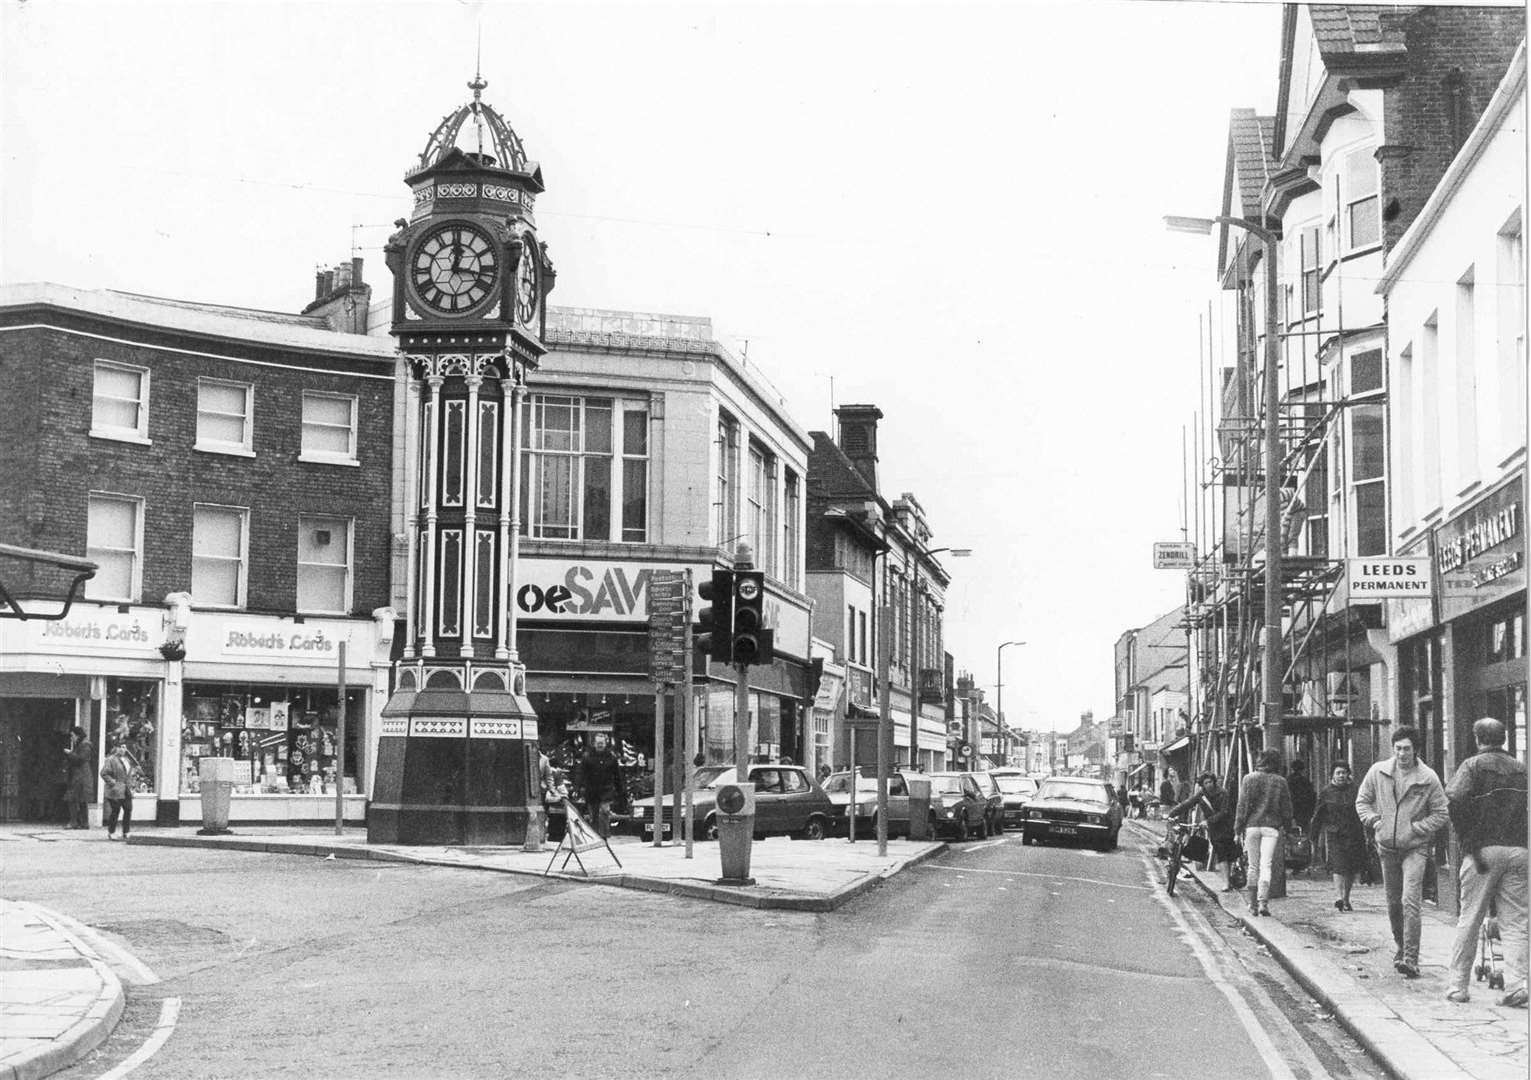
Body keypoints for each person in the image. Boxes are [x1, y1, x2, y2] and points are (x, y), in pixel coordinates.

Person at [1444, 718, 1527, 1007]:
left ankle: (1457, 986)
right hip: (1519, 850)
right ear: (1503, 739)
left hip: (1482, 852)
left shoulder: (1472, 766)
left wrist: (1467, 835)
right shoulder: (1521, 769)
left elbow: (1453, 799)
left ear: (1478, 738)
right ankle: (1517, 985)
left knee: (1470, 918)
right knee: (1516, 922)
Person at [1356, 725, 1449, 978]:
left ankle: (1411, 957)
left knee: (1410, 901)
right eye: (1398, 748)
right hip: (1386, 848)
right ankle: (1400, 946)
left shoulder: (1428, 777)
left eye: (1407, 749)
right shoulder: (1378, 771)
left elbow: (1441, 813)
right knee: (1393, 904)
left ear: (1415, 750)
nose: (1402, 754)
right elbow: (1362, 801)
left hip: (1415, 848)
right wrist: (1374, 821)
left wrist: (1418, 828)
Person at [1234, 748, 1294, 916]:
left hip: (1252, 826)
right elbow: (1287, 808)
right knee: (1266, 865)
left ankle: (1251, 904)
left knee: (1252, 866)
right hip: (1271, 828)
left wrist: (1237, 829)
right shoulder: (1280, 781)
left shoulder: (1248, 779)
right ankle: (1263, 903)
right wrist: (1288, 829)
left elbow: (1242, 806)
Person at [1309, 762, 1366, 912]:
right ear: (1332, 775)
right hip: (1335, 833)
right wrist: (1313, 834)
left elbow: (1362, 809)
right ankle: (1338, 897)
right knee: (1338, 865)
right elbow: (1318, 814)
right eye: (1338, 773)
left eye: (1344, 773)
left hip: (1354, 833)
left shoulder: (1355, 790)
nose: (1341, 776)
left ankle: (1346, 897)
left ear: (1348, 774)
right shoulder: (1326, 792)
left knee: (1351, 869)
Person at [576, 731, 626, 839]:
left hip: (606, 790)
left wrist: (620, 790)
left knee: (604, 811)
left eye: (602, 743)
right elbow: (581, 773)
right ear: (594, 743)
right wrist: (578, 787)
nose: (600, 745)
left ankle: (604, 835)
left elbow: (617, 775)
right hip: (591, 791)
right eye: (598, 743)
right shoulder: (587, 757)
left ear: (605, 744)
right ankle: (595, 836)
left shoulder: (611, 758)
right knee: (593, 815)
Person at [100, 742, 135, 841]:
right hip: (115, 789)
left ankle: (126, 831)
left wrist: (132, 785)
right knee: (116, 810)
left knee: (128, 809)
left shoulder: (126, 760)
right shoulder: (111, 759)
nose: (124, 749)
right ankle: (112, 832)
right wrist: (112, 783)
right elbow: (104, 773)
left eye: (125, 747)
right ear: (116, 748)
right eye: (122, 747)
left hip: (126, 788)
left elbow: (129, 774)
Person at [64, 726, 95, 829]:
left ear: (77, 735)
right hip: (81, 775)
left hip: (81, 775)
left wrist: (70, 754)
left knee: (72, 798)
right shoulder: (82, 744)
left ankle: (74, 822)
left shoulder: (85, 745)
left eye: (72, 735)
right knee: (82, 800)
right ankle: (84, 823)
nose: (71, 738)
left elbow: (80, 759)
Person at [1287, 758, 1317, 829]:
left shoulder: (1288, 781)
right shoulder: (1306, 781)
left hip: (1292, 810)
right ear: (1302, 770)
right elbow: (1312, 797)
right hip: (1304, 811)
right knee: (1304, 831)